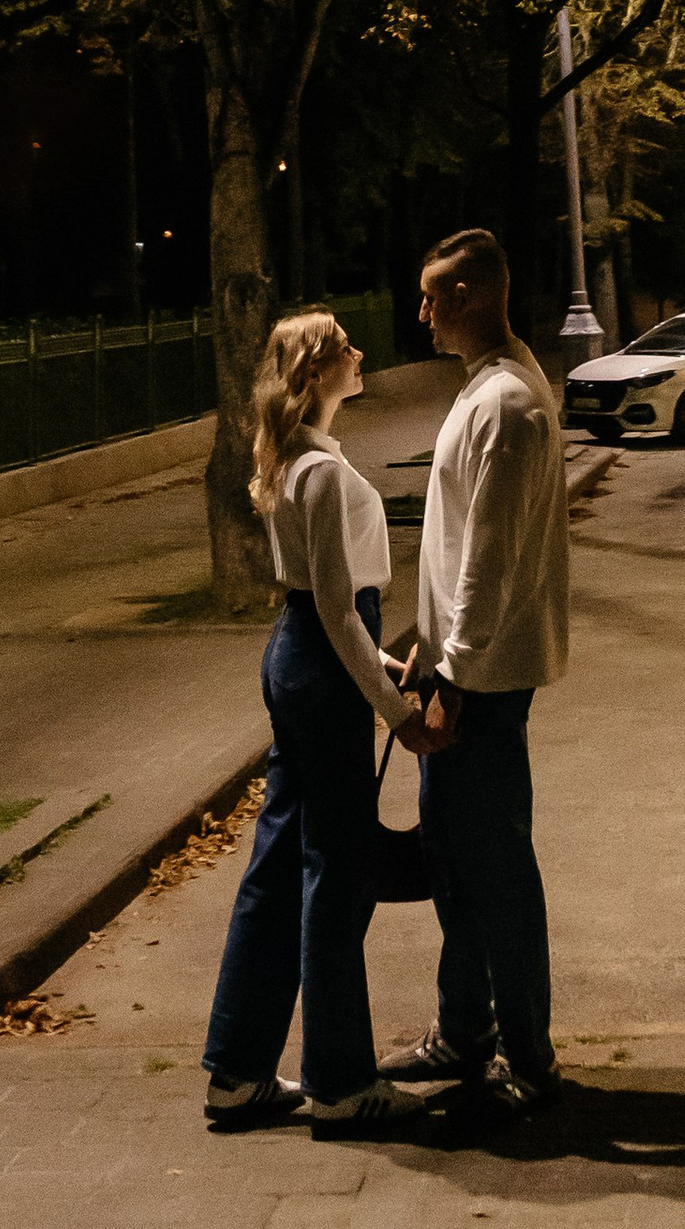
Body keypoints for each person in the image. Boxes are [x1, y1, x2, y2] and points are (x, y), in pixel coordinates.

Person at [201, 309, 445, 1139]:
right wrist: (397, 711)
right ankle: (341, 1081)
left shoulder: (296, 462)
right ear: (317, 371)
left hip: (294, 657)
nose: (361, 351)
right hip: (327, 661)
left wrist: (376, 670)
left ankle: (235, 1073)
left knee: (278, 862)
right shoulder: (326, 476)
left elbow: (324, 613)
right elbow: (344, 615)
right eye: (345, 344)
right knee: (337, 872)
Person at [382, 225, 570, 1113]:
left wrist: (450, 677)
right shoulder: (491, 389)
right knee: (458, 866)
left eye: (430, 296)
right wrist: (428, 644)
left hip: (483, 687)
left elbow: (488, 564)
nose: (419, 313)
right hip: (463, 669)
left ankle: (526, 1059)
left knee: (495, 872)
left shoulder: (506, 407)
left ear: (465, 297)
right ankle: (466, 1031)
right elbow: (463, 550)